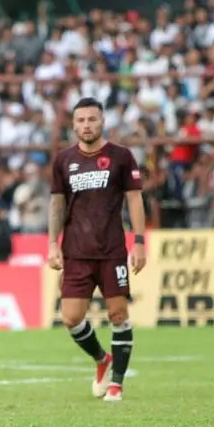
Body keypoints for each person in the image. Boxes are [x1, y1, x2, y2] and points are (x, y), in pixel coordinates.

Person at [48, 97, 146, 402]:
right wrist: (53, 242)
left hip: (112, 249)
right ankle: (103, 360)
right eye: (81, 120)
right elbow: (57, 203)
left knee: (118, 314)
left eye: (92, 119)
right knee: (70, 318)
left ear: (103, 122)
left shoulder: (121, 156)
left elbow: (134, 200)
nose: (86, 125)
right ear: (73, 124)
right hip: (76, 251)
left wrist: (139, 241)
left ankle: (116, 384)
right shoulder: (63, 160)